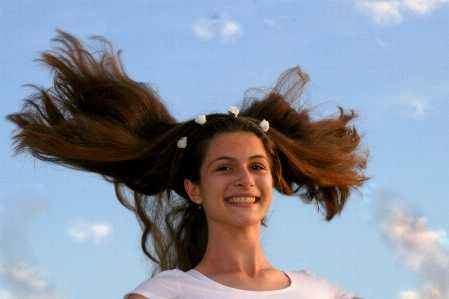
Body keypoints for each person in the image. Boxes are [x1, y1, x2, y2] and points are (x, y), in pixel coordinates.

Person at [7, 31, 368, 299]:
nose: (245, 179)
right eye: (224, 168)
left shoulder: (320, 291)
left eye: (257, 167)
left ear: (272, 180)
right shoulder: (164, 293)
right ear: (194, 189)